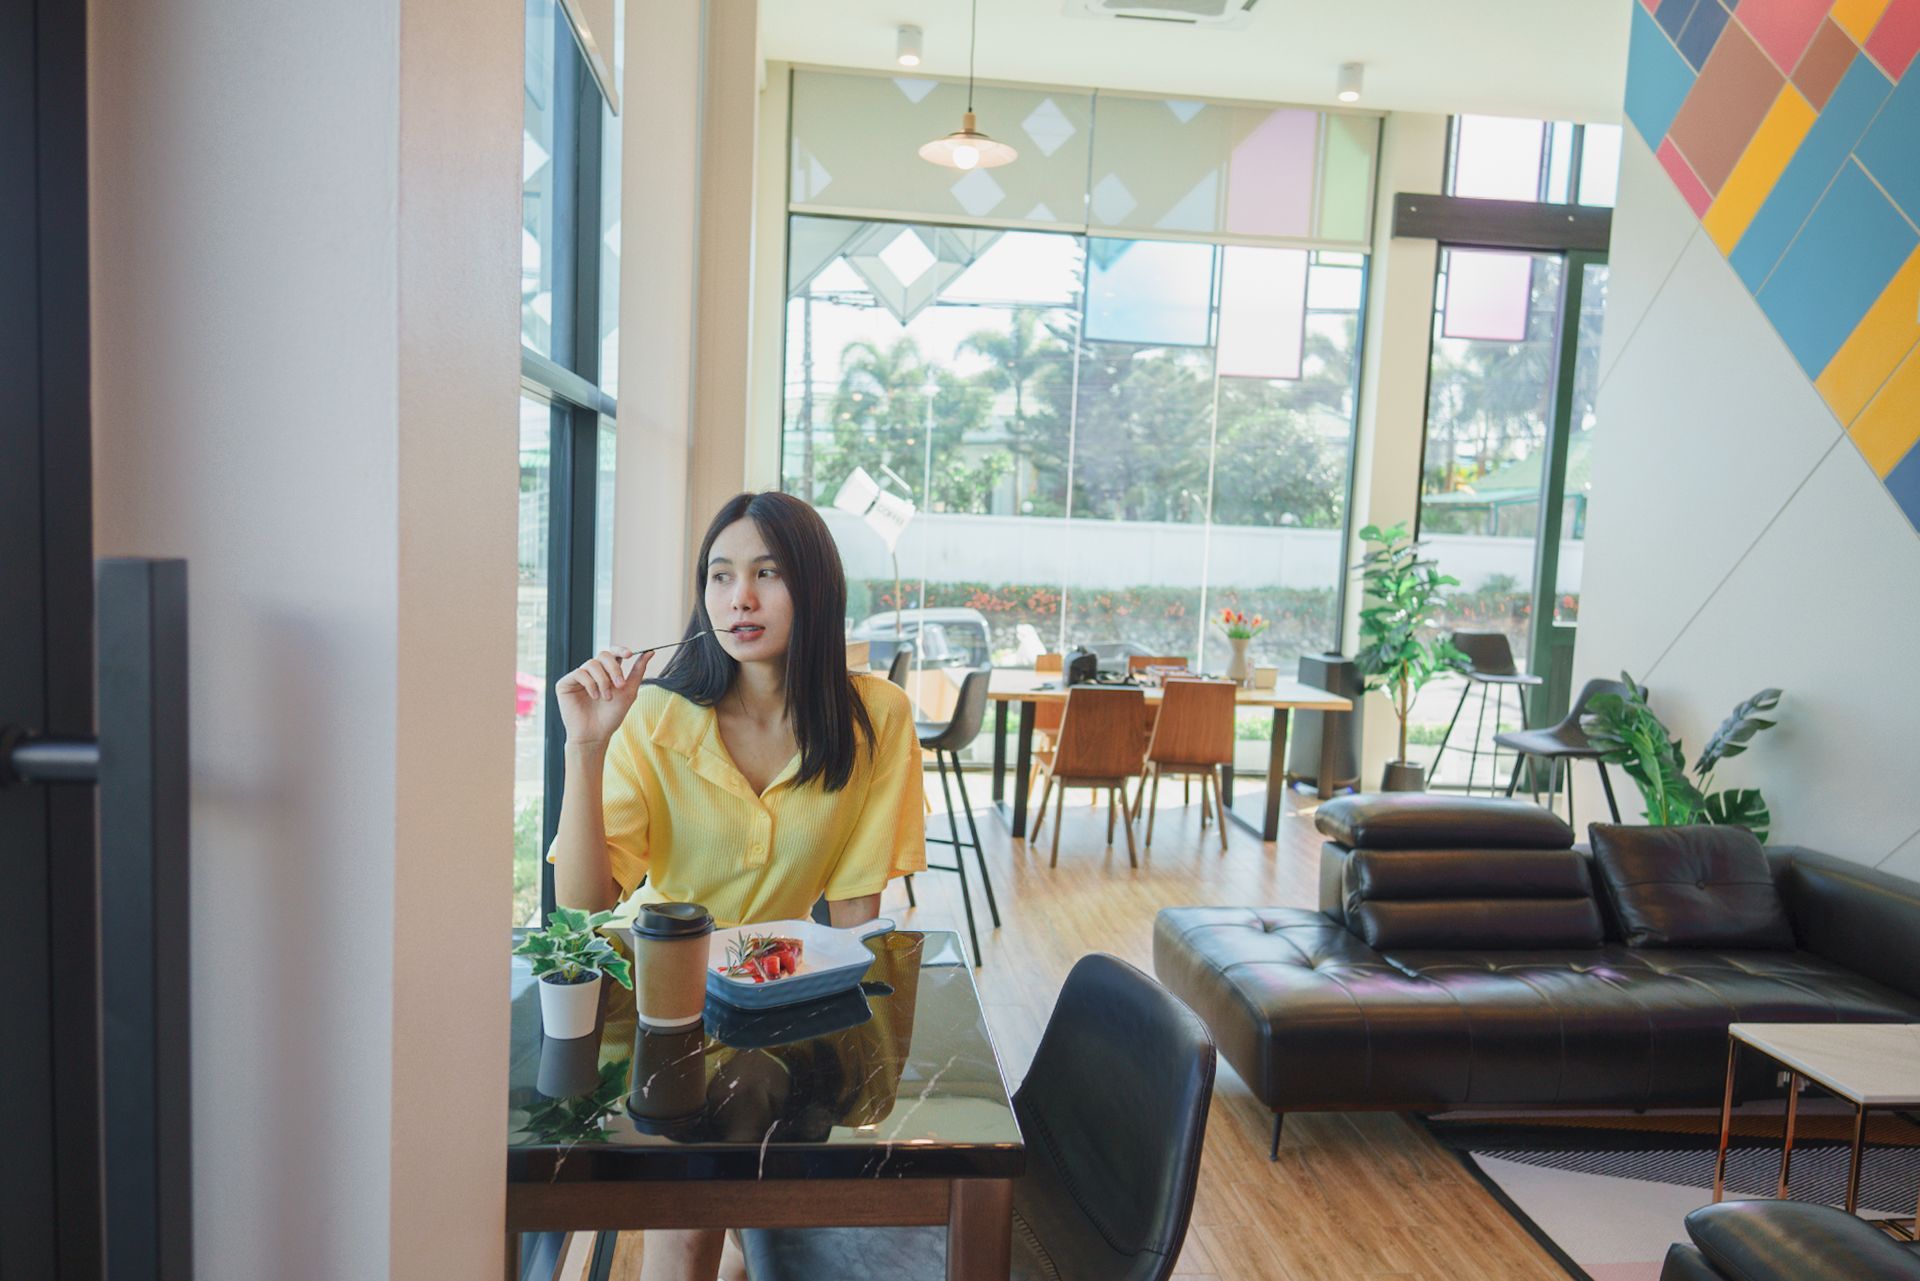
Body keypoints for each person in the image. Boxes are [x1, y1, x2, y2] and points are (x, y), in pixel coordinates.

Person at [547, 491, 926, 1281]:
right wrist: (586, 746)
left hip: (787, 998)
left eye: (766, 573)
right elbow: (583, 902)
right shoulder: (654, 713)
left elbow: (857, 916)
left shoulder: (876, 718)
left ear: (815, 589)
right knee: (691, 1219)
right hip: (660, 997)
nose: (739, 597)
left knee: (768, 1188)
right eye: (720, 577)